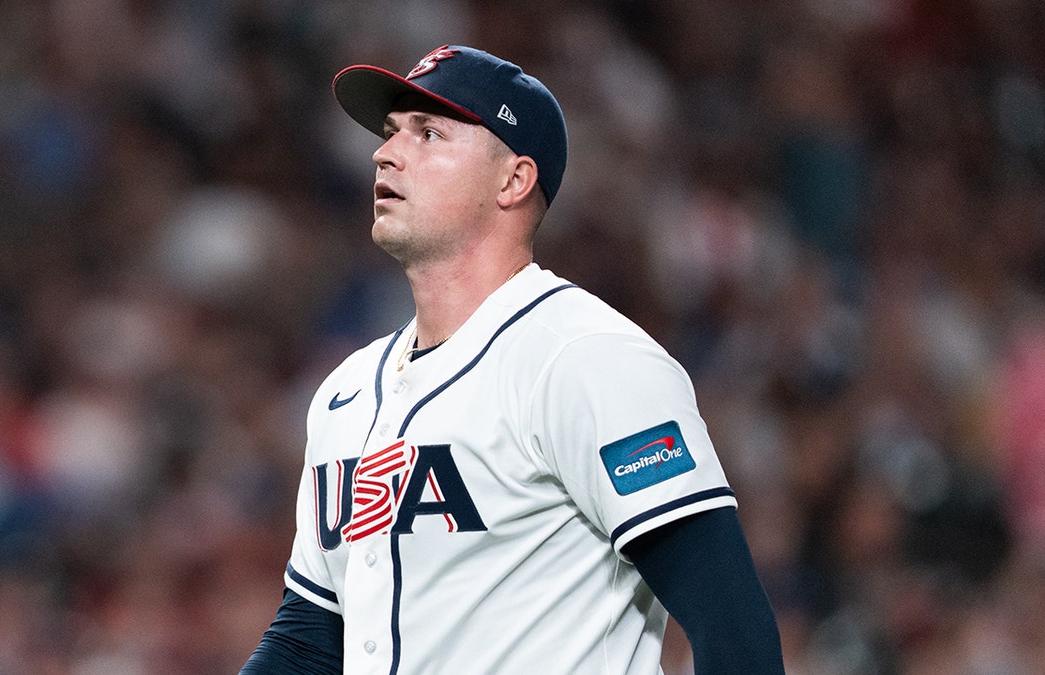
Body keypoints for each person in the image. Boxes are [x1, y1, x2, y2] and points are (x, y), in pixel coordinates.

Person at [240, 44, 784, 674]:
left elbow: (733, 629)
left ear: (513, 180)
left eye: (428, 133)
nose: (385, 154)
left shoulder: (587, 359)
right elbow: (308, 640)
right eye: (390, 133)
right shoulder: (347, 392)